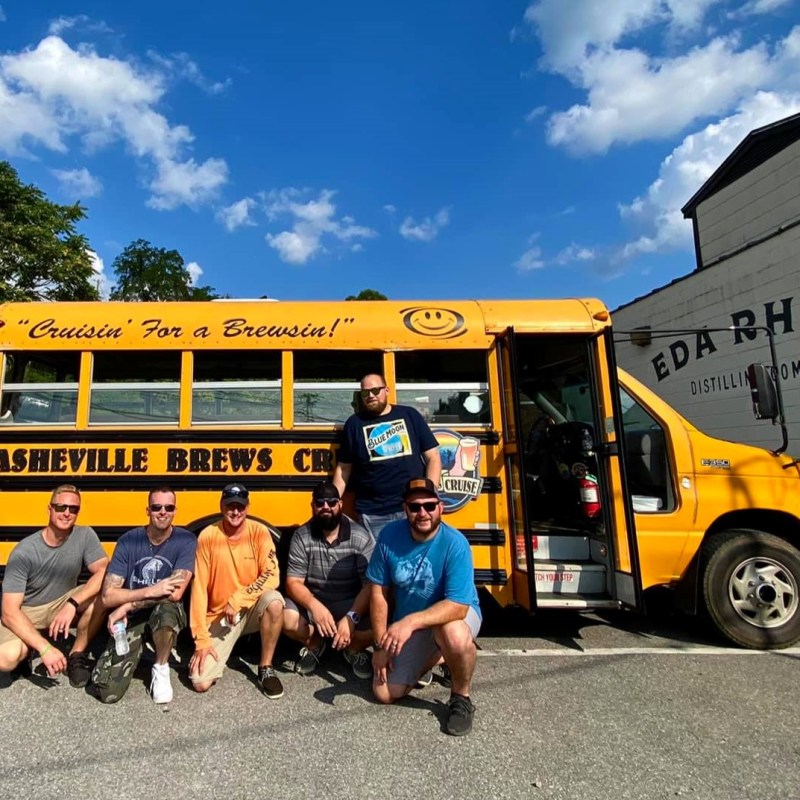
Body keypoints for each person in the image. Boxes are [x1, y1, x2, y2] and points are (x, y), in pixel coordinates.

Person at [366, 478, 482, 737]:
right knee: (384, 692)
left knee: (452, 634)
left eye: (429, 505)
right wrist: (380, 647)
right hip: (415, 623)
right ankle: (439, 656)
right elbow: (378, 592)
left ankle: (461, 698)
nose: (423, 513)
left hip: (453, 616)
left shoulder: (456, 543)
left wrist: (408, 623)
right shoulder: (388, 536)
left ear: (440, 507)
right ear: (405, 509)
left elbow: (458, 607)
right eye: (415, 506)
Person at [89, 487, 196, 704]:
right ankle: (139, 650)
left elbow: (175, 593)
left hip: (161, 609)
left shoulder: (185, 540)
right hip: (134, 618)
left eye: (169, 507)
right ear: (148, 510)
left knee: (166, 614)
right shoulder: (129, 541)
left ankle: (161, 666)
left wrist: (127, 605)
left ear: (175, 511)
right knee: (107, 692)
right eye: (157, 507)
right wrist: (150, 591)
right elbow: (108, 596)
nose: (163, 512)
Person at [0, 484, 108, 686]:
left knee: (105, 593)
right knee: (7, 657)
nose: (67, 513)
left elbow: (104, 571)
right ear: (49, 509)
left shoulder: (84, 535)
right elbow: (8, 612)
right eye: (61, 507)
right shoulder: (24, 551)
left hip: (62, 603)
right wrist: (45, 649)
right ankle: (28, 649)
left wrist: (72, 604)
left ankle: (76, 655)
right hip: (27, 611)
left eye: (73, 509)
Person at [189, 483, 285, 698]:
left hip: (251, 610)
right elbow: (199, 589)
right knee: (199, 681)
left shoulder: (259, 532)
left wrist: (239, 599)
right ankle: (226, 649)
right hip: (220, 616)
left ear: (247, 507)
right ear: (221, 507)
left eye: (240, 506)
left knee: (275, 602)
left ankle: (266, 668)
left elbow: (272, 575)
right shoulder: (208, 536)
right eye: (230, 506)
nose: (235, 511)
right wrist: (201, 639)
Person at [283, 481, 374, 679]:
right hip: (316, 601)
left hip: (350, 602)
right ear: (312, 506)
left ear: (340, 505)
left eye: (332, 502)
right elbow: (293, 582)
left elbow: (370, 586)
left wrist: (352, 617)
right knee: (286, 618)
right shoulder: (301, 536)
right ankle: (316, 644)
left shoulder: (360, 536)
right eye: (320, 503)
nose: (326, 507)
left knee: (382, 621)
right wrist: (315, 606)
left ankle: (353, 649)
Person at [333, 373, 442, 538]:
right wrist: (332, 501)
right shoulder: (354, 424)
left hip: (411, 508)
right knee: (378, 561)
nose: (371, 396)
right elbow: (344, 469)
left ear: (387, 390)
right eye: (365, 392)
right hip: (372, 512)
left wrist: (429, 496)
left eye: (376, 390)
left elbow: (432, 457)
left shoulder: (409, 415)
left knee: (413, 559)